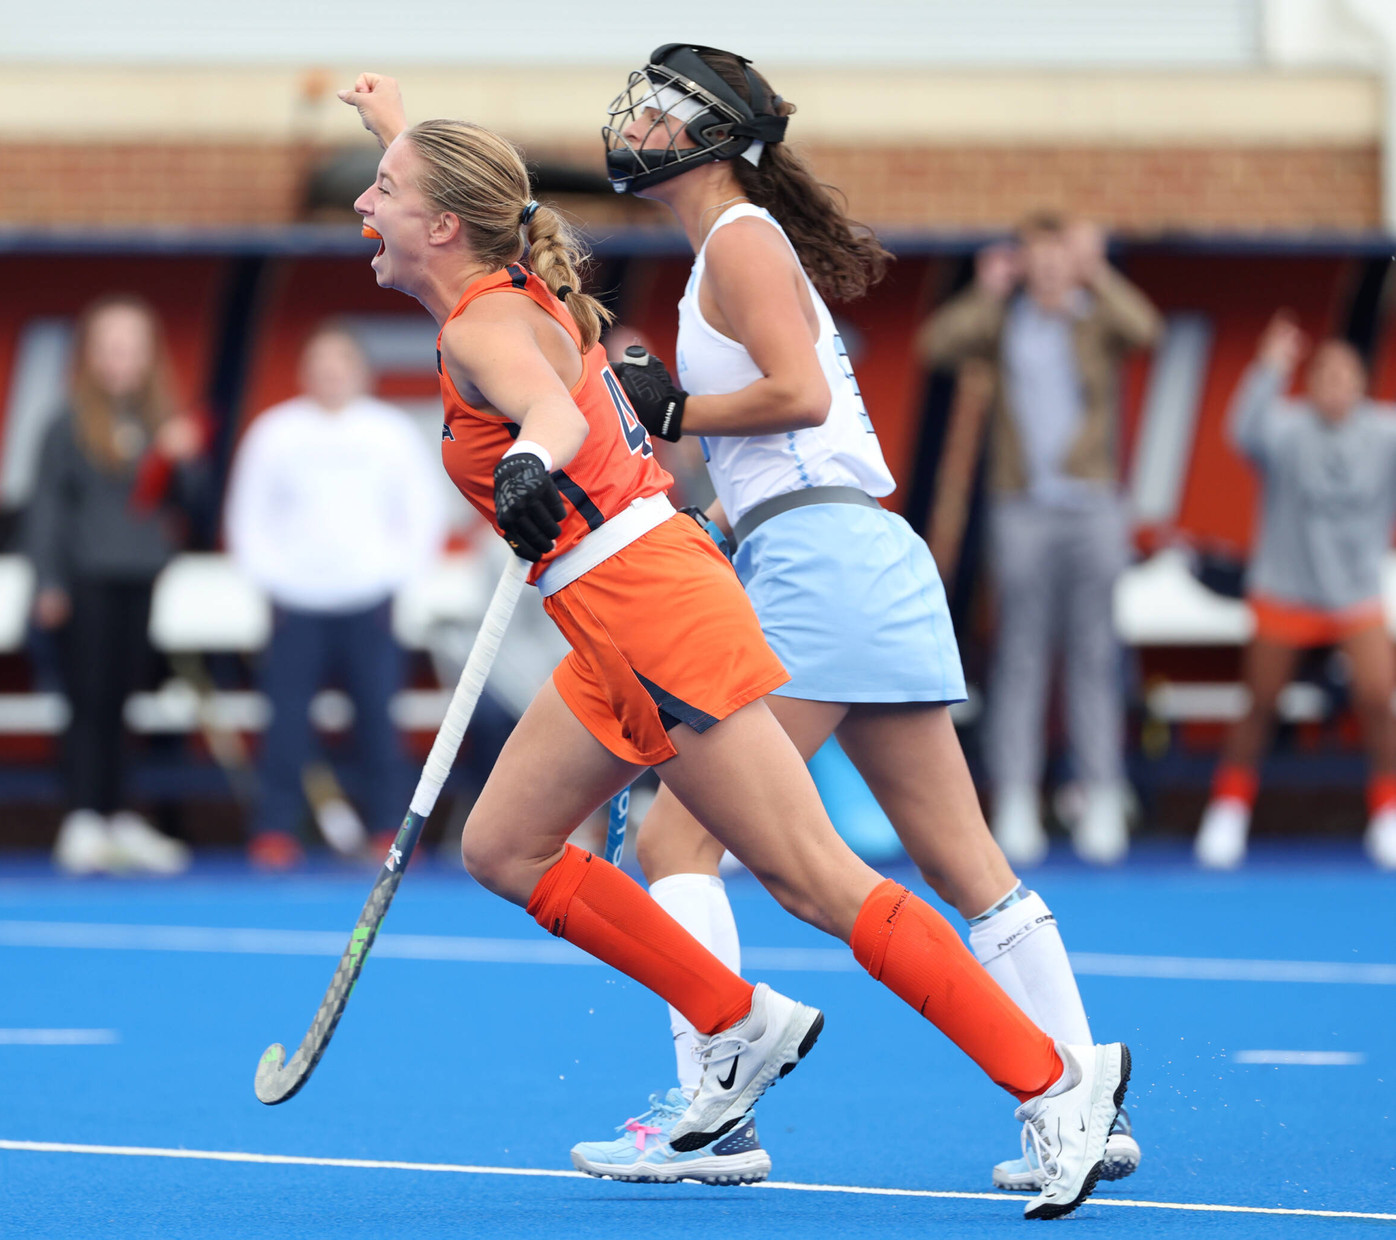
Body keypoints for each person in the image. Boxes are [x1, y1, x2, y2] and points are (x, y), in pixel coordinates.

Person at [340, 70, 1128, 1221]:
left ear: (443, 226)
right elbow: (462, 204)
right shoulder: (501, 279)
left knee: (816, 879)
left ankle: (1057, 1082)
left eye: (382, 189)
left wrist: (526, 462)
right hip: (612, 608)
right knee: (506, 845)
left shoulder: (485, 321)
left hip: (652, 602)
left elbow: (552, 415)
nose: (364, 205)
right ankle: (735, 1022)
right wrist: (397, 129)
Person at [560, 43, 1137, 1196]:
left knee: (675, 841)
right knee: (961, 857)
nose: (643, 125)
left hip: (825, 564)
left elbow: (801, 395)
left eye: (666, 111)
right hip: (850, 547)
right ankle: (1080, 1081)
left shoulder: (739, 239)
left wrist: (673, 405)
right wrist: (713, 510)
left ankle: (713, 1114)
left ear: (716, 136)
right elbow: (792, 442)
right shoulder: (733, 246)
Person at [920, 213, 1161, 866]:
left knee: (1094, 652)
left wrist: (1098, 270)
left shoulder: (1095, 316)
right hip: (1021, 506)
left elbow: (1148, 330)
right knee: (1021, 654)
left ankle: (1102, 793)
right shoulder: (1003, 318)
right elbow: (937, 344)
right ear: (1025, 261)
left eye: (1060, 257)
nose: (1050, 268)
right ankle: (1018, 797)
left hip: (1093, 507)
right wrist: (987, 290)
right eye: (1039, 257)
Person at [225, 321, 444, 869]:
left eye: (340, 361)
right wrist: (273, 580)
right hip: (294, 603)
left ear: (360, 371)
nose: (330, 373)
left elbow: (423, 512)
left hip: (369, 601)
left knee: (378, 718)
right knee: (286, 722)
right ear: (305, 371)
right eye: (319, 362)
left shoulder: (390, 432)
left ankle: (387, 829)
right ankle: (275, 829)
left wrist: (395, 576)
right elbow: (247, 516)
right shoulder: (274, 431)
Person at [1196, 313, 1396, 871]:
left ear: (1362, 384)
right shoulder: (1284, 430)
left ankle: (1388, 813)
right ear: (1310, 386)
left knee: (1379, 700)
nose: (1335, 386)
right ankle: (1229, 811)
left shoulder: (1385, 435)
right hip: (1285, 590)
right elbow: (1240, 430)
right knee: (1260, 705)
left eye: (1345, 376)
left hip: (1355, 594)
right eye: (1324, 375)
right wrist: (1267, 368)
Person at [24, 295, 203, 876]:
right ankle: (81, 817)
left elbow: (195, 507)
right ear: (89, 355)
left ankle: (114, 813)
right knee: (88, 702)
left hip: (140, 579)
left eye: (131, 346)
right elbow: (46, 509)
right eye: (109, 346)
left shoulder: (161, 423)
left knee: (124, 701)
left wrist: (186, 460)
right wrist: (48, 582)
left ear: (150, 356)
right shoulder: (67, 423)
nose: (120, 358)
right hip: (85, 583)